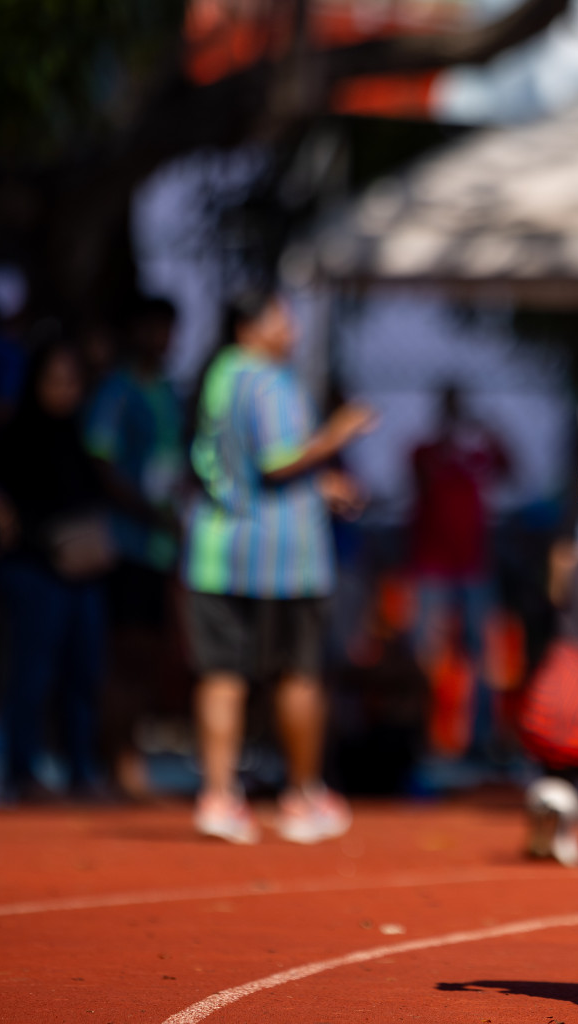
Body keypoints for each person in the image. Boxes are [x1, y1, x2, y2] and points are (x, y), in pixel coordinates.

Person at [184, 288, 373, 844]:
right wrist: (338, 434)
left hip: (216, 550)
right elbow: (278, 461)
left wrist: (321, 482)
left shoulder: (217, 374)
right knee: (299, 673)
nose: (290, 330)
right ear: (250, 325)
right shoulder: (269, 380)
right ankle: (302, 794)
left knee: (221, 675)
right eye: (280, 319)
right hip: (284, 557)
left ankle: (219, 795)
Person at [0, 342, 112, 798]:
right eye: (54, 380)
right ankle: (23, 768)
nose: (64, 391)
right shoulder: (13, 438)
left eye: (72, 381)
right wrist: (42, 541)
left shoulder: (79, 436)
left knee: (84, 673)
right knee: (32, 672)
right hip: (34, 571)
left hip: (83, 574)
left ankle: (81, 768)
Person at [85, 297, 184, 798]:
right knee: (124, 656)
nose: (163, 342)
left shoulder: (169, 391)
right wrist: (146, 512)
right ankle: (114, 759)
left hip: (160, 548)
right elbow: (100, 461)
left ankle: (131, 755)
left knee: (148, 658)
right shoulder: (118, 390)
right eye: (155, 330)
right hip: (126, 545)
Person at [408, 384, 511, 761]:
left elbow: (510, 467)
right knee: (426, 654)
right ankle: (422, 739)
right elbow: (418, 478)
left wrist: (486, 428)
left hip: (473, 567)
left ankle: (481, 739)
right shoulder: (426, 451)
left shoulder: (478, 451)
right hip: (432, 567)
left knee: (481, 655)